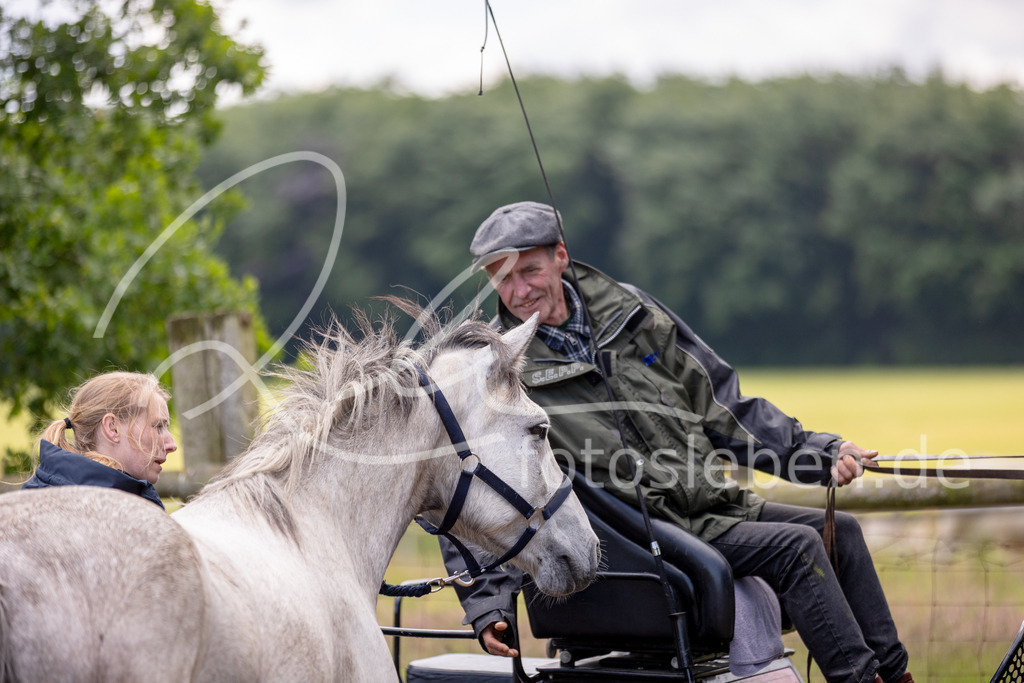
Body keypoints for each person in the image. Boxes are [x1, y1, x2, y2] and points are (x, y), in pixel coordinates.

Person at [442, 201, 912, 683]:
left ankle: (895, 677)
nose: (518, 291)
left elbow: (721, 403)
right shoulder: (495, 364)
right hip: (634, 534)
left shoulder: (632, 312)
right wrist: (488, 602)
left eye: (531, 270)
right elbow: (474, 483)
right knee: (798, 548)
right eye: (503, 278)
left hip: (710, 507)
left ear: (561, 255)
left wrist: (819, 452)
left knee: (844, 535)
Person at [23, 371, 178, 509]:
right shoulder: (114, 512)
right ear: (112, 428)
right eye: (158, 426)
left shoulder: (35, 495)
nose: (172, 445)